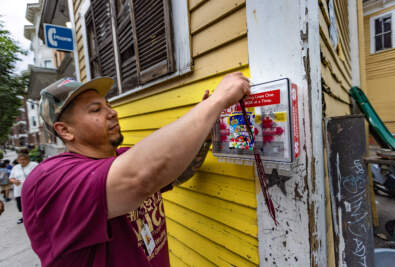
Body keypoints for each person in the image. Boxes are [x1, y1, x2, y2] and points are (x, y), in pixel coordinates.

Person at [22, 73, 250, 267]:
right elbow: (140, 178)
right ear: (65, 130)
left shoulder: (121, 158)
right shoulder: (50, 180)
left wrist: (207, 125)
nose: (112, 113)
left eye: (108, 105)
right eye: (95, 110)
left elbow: (179, 171)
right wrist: (218, 101)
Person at [9, 153, 38, 224]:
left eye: (24, 159)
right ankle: (24, 217)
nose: (22, 161)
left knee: (33, 204)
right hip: (19, 191)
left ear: (28, 159)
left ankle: (35, 217)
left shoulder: (34, 165)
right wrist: (14, 181)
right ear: (18, 160)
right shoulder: (16, 167)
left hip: (32, 190)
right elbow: (11, 178)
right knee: (21, 206)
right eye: (20, 160)